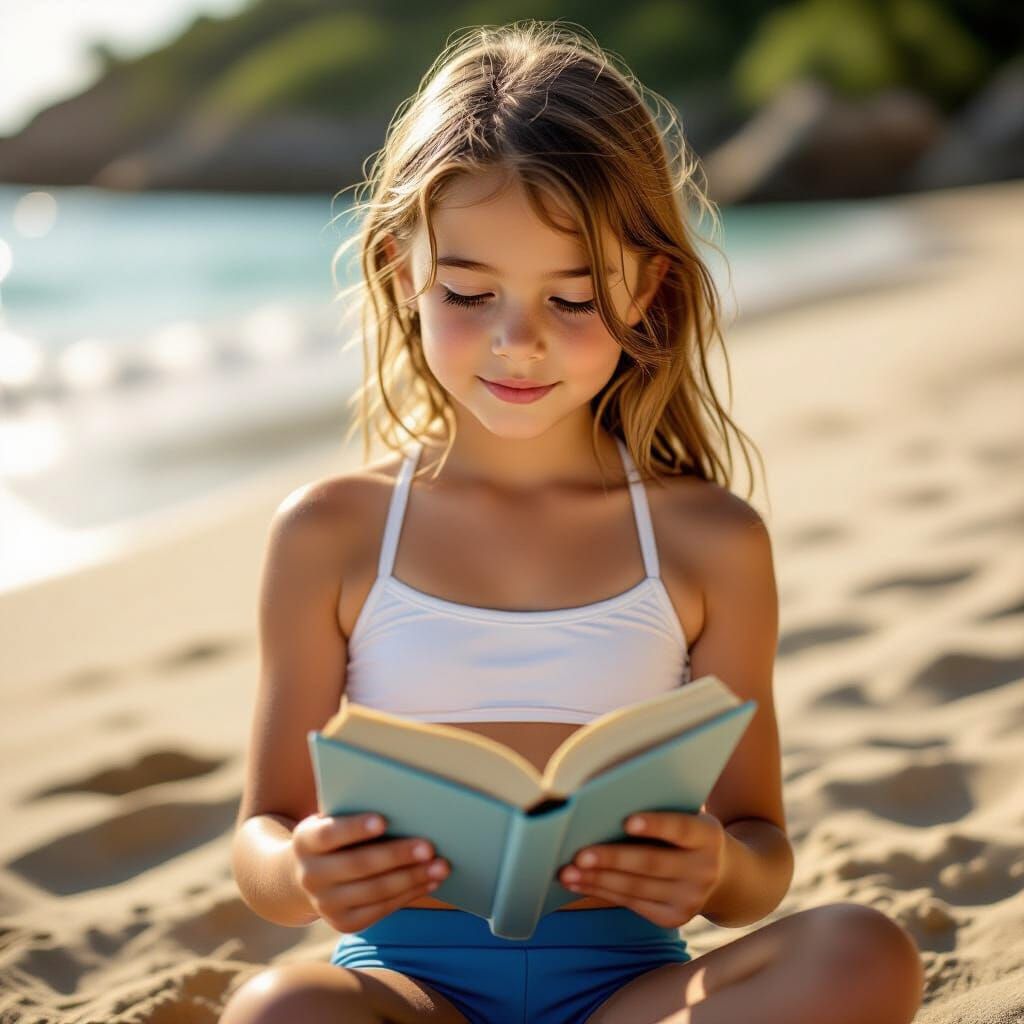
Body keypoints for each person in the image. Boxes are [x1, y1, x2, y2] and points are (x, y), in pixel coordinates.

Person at [221, 19, 924, 1024]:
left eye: (575, 298)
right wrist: (303, 869)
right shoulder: (330, 532)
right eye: (469, 292)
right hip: (413, 989)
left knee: (861, 950)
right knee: (278, 1008)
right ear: (401, 270)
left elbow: (760, 850)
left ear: (649, 286)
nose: (519, 342)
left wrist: (717, 867)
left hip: (626, 993)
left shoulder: (708, 541)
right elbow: (264, 834)